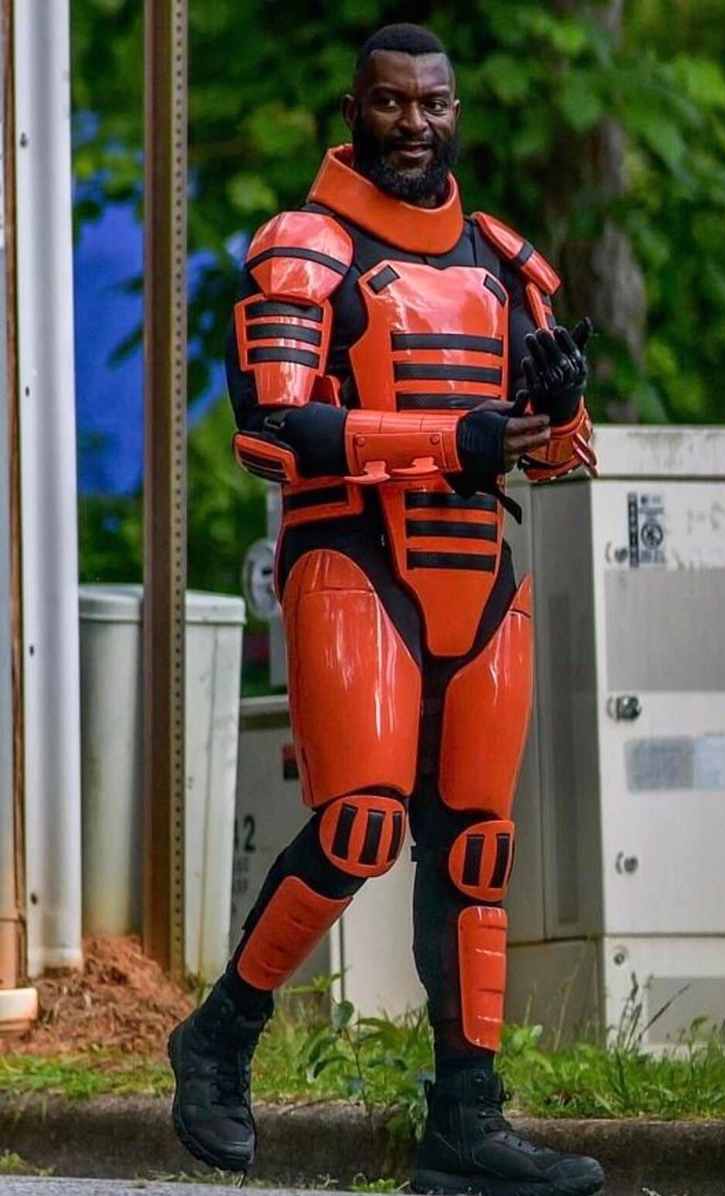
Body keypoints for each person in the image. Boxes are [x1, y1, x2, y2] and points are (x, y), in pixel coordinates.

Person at [168, 22, 603, 1196]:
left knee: (477, 844)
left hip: (479, 573)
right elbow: (272, 429)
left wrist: (558, 405)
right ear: (353, 109)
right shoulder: (303, 247)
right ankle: (221, 1034)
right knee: (359, 820)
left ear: (456, 110)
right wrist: (450, 439)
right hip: (352, 561)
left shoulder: (505, 261)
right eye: (392, 102)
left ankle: (466, 1121)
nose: (415, 123)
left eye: (434, 103)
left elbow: (554, 455)